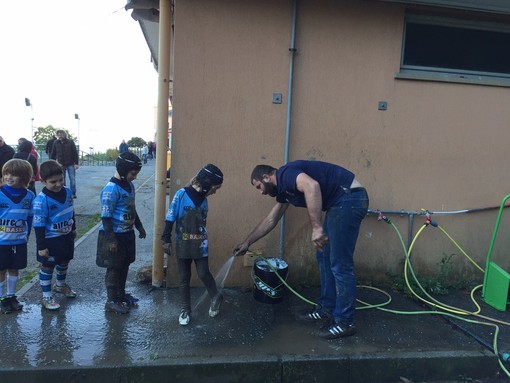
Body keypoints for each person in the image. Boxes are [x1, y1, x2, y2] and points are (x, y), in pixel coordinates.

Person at [233, 160, 369, 339]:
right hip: (341, 202)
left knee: (340, 264)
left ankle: (345, 322)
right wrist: (247, 242)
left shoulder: (285, 174)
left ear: (266, 177)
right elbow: (271, 220)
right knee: (324, 257)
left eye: (259, 186)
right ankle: (327, 308)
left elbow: (312, 186)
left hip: (349, 199)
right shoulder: (284, 191)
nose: (261, 192)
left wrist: (317, 227)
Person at [161, 164, 224, 326]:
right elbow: (170, 217)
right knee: (184, 277)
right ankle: (185, 309)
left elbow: (202, 223)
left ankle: (216, 297)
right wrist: (166, 238)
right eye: (215, 188)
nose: (215, 191)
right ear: (207, 183)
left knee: (203, 273)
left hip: (200, 243)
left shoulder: (204, 201)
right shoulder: (181, 195)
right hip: (183, 242)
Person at [96, 152, 146, 314]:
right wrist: (111, 240)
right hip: (113, 236)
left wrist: (139, 226)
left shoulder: (129, 186)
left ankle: (121, 293)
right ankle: (111, 300)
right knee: (114, 268)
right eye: (133, 174)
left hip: (127, 234)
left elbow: (132, 208)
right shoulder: (111, 190)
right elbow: (105, 216)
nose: (135, 177)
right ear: (123, 170)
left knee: (125, 265)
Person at [33, 160, 77, 311]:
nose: (58, 184)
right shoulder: (41, 200)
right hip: (50, 240)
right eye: (53, 182)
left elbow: (71, 211)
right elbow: (38, 225)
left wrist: (74, 227)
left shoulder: (68, 192)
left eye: (61, 180)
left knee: (64, 261)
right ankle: (46, 296)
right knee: (47, 266)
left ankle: (60, 285)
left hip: (66, 237)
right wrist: (41, 246)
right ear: (42, 181)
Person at [0, 159, 35, 314]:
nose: (9, 177)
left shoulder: (29, 195)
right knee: (1, 269)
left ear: (24, 177)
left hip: (19, 240)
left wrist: (27, 234)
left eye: (13, 175)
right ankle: (1, 298)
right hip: (2, 241)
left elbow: (30, 217)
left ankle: (11, 296)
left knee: (14, 268)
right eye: (6, 173)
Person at [50, 130, 79, 199]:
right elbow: (53, 153)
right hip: (60, 164)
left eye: (61, 134)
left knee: (72, 179)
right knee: (62, 180)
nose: (60, 135)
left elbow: (75, 153)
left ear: (64, 135)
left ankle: (73, 193)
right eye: (58, 134)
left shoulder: (70, 142)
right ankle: (64, 193)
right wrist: (51, 163)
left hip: (70, 164)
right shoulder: (55, 143)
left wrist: (76, 163)